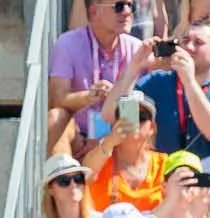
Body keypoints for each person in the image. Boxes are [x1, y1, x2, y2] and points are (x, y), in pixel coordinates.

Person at [50, 0, 146, 146]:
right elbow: (57, 99)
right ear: (94, 11)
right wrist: (88, 97)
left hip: (119, 135)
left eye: (131, 6)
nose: (127, 12)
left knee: (136, 113)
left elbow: (143, 105)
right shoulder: (67, 43)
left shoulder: (137, 48)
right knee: (56, 116)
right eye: (119, 7)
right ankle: (66, 168)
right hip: (79, 136)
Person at [135, 17, 210, 153]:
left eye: (199, 43)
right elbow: (115, 115)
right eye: (185, 41)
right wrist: (134, 66)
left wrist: (188, 80)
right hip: (164, 170)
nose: (189, 47)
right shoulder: (157, 81)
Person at [86, 89, 170, 213]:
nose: (134, 122)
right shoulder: (101, 158)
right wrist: (110, 140)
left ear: (152, 128)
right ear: (115, 123)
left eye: (141, 117)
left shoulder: (164, 163)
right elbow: (84, 176)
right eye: (127, 116)